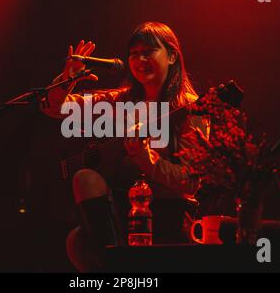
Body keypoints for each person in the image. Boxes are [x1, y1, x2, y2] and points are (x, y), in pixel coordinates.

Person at [42, 22, 209, 271]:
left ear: (172, 55)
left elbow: (190, 181)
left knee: (81, 240)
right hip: (122, 211)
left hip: (168, 214)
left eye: (149, 51)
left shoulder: (191, 109)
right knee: (84, 186)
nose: (140, 59)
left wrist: (145, 157)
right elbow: (54, 108)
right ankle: (117, 265)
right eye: (134, 54)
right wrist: (67, 80)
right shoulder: (119, 101)